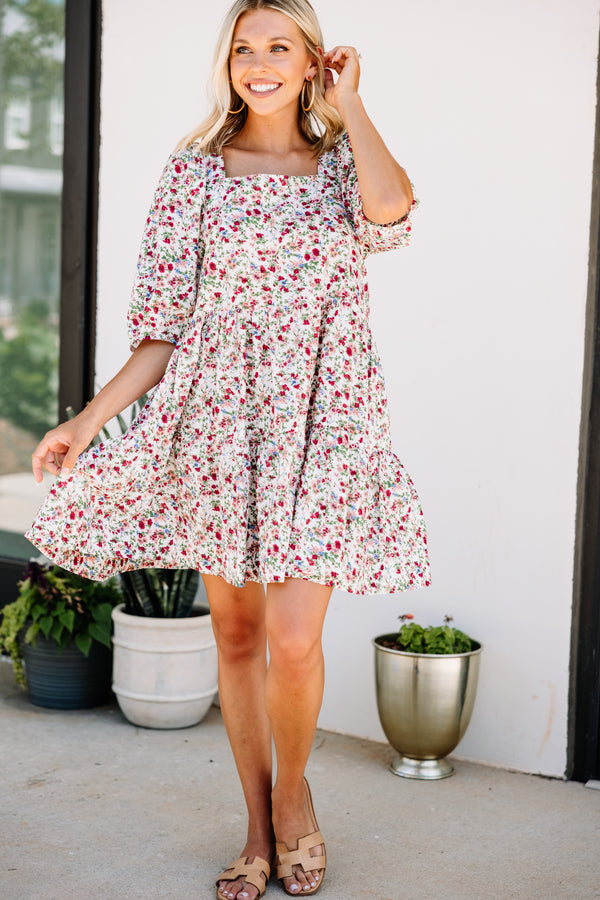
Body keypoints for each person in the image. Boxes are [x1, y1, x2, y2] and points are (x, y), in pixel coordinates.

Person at [26, 0, 431, 896]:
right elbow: (163, 327)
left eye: (279, 47)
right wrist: (85, 423)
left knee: (294, 640)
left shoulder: (338, 167)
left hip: (324, 422)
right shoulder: (194, 172)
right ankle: (256, 825)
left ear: (314, 60)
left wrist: (353, 106)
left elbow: (394, 211)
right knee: (240, 636)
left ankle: (296, 803)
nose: (258, 62)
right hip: (220, 426)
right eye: (244, 48)